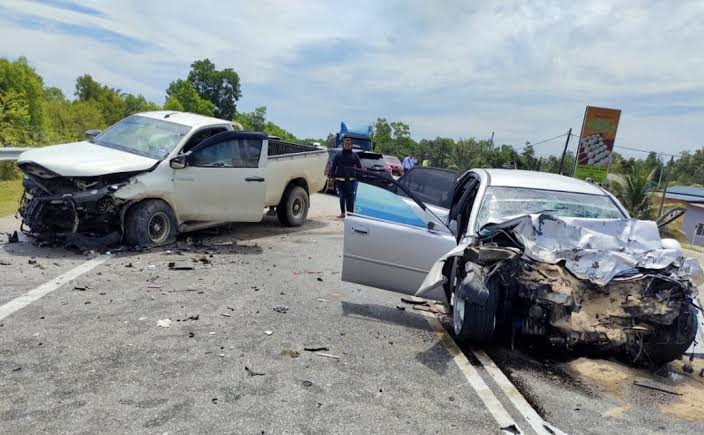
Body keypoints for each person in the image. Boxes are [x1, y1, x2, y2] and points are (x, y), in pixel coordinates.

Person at [330, 137, 362, 218]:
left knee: (350, 197)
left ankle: (350, 214)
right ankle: (343, 213)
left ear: (351, 145)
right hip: (340, 180)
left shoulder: (355, 155)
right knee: (342, 196)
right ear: (343, 144)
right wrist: (332, 177)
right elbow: (333, 166)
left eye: (349, 144)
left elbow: (359, 167)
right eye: (345, 144)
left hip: (351, 181)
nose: (347, 145)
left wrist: (359, 177)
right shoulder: (338, 155)